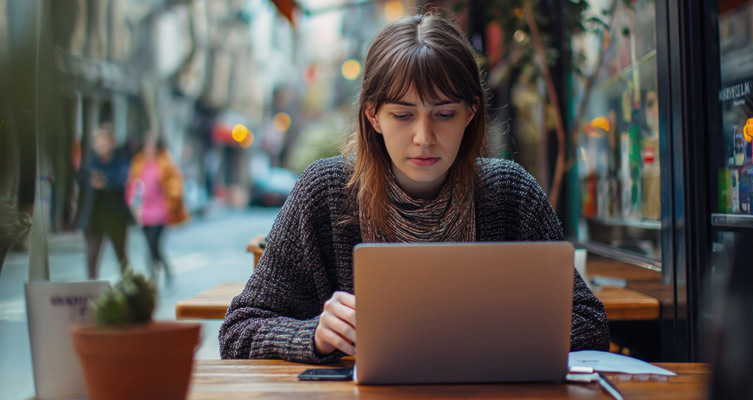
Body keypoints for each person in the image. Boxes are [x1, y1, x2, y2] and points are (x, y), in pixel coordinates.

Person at [219, 13, 609, 363]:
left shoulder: (511, 194)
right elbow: (238, 330)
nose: (424, 137)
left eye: (444, 114)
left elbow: (590, 323)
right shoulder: (324, 191)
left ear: (470, 114)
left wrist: (506, 337)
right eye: (403, 115)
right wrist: (315, 335)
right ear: (373, 115)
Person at [125, 134, 188, 286]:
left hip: (161, 212)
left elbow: (175, 184)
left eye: (151, 145)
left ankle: (154, 276)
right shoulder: (139, 162)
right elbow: (132, 184)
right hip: (144, 212)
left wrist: (172, 201)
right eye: (147, 144)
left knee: (154, 244)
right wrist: (132, 203)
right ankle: (162, 271)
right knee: (150, 246)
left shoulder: (165, 162)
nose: (149, 148)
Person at [76, 123, 132, 280]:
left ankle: (130, 291)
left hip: (116, 217)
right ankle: (93, 294)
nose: (99, 143)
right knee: (91, 258)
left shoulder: (121, 160)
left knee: (121, 257)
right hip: (95, 218)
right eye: (96, 140)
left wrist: (105, 183)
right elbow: (83, 192)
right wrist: (80, 218)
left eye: (103, 139)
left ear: (112, 142)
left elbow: (124, 182)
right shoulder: (90, 162)